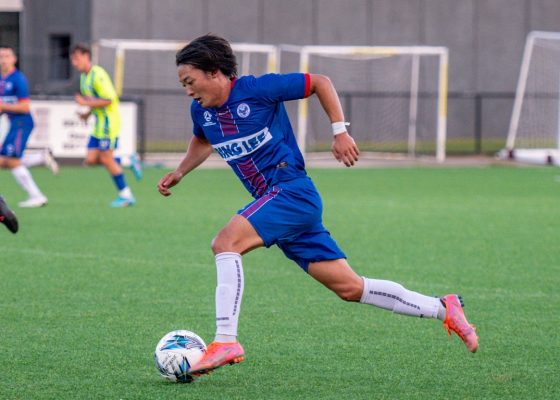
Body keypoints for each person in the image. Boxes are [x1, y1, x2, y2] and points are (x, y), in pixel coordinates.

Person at [157, 34, 479, 376]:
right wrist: (181, 171)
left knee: (225, 243)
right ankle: (444, 308)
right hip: (277, 205)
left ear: (216, 72)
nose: (188, 91)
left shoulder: (259, 89)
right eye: (183, 85)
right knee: (350, 288)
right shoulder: (202, 112)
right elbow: (203, 139)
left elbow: (319, 83)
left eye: (190, 82)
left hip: (291, 192)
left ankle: (225, 341)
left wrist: (340, 132)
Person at [70, 43, 142, 208]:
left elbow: (108, 99)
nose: (75, 63)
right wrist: (86, 114)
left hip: (108, 122)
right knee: (90, 160)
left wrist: (83, 102)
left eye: (77, 58)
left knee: (106, 158)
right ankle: (127, 160)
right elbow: (94, 100)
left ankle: (126, 195)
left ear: (87, 57)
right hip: (98, 124)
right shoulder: (84, 77)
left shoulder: (97, 74)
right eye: (73, 59)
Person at [0, 45, 48, 208]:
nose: (3, 60)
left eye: (7, 56)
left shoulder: (18, 79)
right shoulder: (2, 80)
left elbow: (25, 107)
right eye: (1, 56)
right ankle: (41, 157)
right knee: (4, 160)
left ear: (14, 59)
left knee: (11, 160)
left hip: (22, 123)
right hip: (13, 124)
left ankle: (37, 196)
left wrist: (3, 107)